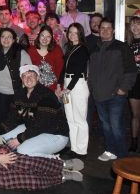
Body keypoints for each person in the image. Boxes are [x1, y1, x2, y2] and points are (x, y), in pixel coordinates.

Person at [0, 65, 69, 158]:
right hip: (34, 129)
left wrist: (19, 139)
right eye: (25, 76)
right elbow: (12, 119)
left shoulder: (46, 95)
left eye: (31, 75)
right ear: (22, 79)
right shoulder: (20, 95)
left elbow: (41, 125)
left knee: (23, 150)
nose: (28, 78)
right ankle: (27, 156)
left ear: (38, 77)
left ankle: (55, 161)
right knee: (3, 137)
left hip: (55, 134)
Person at [88, 18, 137, 160]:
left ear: (114, 30)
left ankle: (122, 156)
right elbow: (91, 72)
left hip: (116, 95)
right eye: (102, 28)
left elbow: (131, 71)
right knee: (106, 126)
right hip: (98, 94)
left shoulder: (121, 47)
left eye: (108, 28)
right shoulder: (94, 49)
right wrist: (92, 88)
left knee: (116, 126)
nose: (105, 30)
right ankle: (110, 150)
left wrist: (123, 89)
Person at [56, 23, 89, 158]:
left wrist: (68, 89)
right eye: (70, 32)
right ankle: (74, 148)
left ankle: (82, 151)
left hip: (78, 84)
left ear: (80, 34)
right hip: (67, 83)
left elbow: (79, 70)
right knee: (70, 118)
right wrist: (59, 85)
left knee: (80, 119)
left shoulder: (83, 49)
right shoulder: (70, 48)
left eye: (75, 32)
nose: (72, 35)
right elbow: (64, 69)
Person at [0, 28, 32, 123]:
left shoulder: (21, 54)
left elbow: (28, 74)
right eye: (3, 37)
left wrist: (26, 94)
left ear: (14, 40)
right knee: (2, 121)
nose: (6, 39)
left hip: (15, 93)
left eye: (9, 37)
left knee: (16, 121)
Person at [28, 25, 64, 92]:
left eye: (48, 37)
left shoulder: (57, 50)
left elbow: (60, 71)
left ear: (52, 38)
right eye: (43, 35)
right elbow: (28, 72)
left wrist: (59, 88)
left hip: (53, 90)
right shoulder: (31, 51)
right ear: (39, 36)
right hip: (35, 90)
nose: (45, 39)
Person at [127, 16, 140, 152]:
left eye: (138, 24)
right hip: (134, 80)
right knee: (135, 114)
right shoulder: (128, 44)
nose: (135, 27)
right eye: (132, 25)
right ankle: (134, 141)